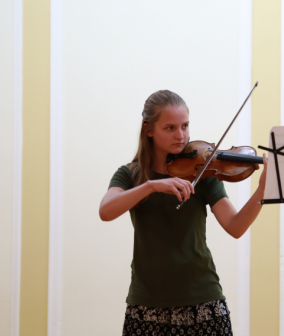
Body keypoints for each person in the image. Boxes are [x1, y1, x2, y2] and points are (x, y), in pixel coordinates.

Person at [99, 89, 268, 336]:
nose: (181, 135)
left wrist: (262, 191)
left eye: (185, 126)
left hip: (204, 300)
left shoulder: (203, 171)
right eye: (170, 128)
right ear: (149, 130)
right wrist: (151, 185)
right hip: (147, 304)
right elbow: (106, 210)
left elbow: (235, 226)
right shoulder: (131, 175)